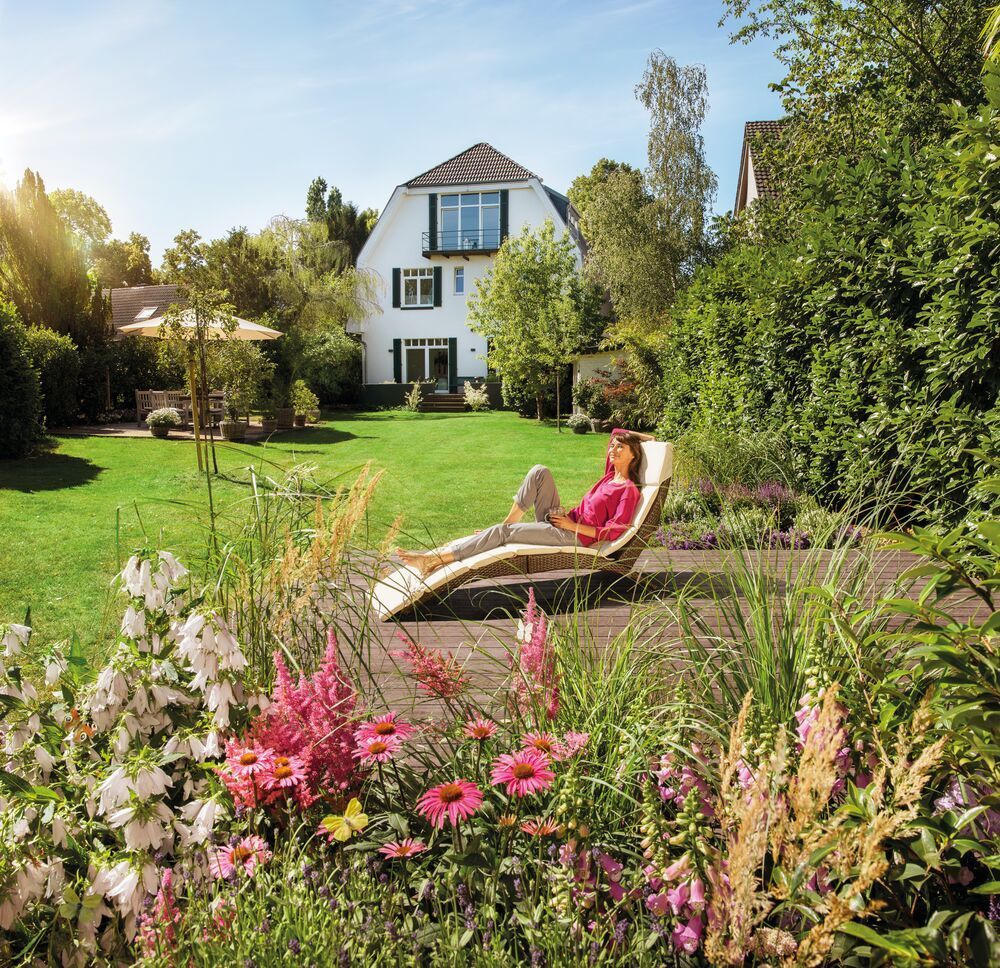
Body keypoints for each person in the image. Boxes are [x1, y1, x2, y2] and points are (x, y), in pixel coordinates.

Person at [397, 429, 655, 578]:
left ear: (633, 456)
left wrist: (570, 526)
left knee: (503, 534)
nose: (613, 450)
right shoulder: (610, 476)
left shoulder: (628, 490)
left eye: (620, 448)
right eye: (613, 447)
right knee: (540, 471)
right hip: (564, 521)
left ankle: (434, 560)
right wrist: (647, 439)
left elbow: (613, 532)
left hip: (574, 536)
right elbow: (615, 432)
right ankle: (506, 525)